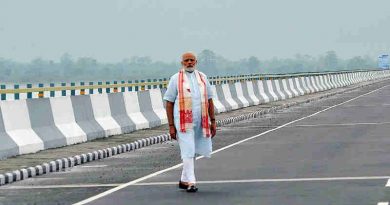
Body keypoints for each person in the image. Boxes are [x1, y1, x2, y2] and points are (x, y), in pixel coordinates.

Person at [163, 51, 217, 192]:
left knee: (192, 150)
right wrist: (170, 126)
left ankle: (183, 180)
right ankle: (191, 182)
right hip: (182, 121)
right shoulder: (175, 79)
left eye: (192, 60)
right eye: (186, 60)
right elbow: (169, 102)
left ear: (196, 62)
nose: (189, 63)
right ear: (182, 63)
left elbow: (209, 100)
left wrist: (213, 121)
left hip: (200, 119)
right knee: (188, 150)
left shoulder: (203, 77)